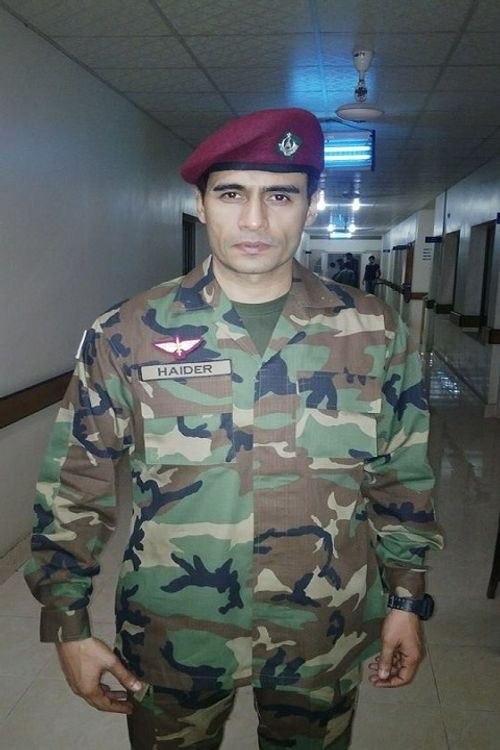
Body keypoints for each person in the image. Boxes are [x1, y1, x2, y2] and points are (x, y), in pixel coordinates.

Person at [25, 108, 443, 750]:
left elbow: (401, 479)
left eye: (280, 195)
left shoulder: (375, 330)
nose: (254, 220)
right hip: (174, 632)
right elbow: (74, 487)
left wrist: (407, 602)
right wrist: (68, 626)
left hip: (322, 630)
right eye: (230, 194)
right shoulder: (126, 332)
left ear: (311, 205)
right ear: (200, 205)